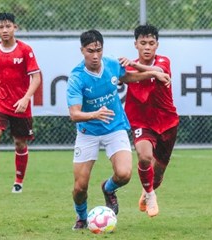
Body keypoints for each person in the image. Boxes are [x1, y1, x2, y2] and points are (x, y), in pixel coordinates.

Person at [67, 29, 171, 230]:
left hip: (114, 128)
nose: (95, 55)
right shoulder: (77, 77)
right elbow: (74, 114)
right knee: (80, 187)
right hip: (88, 133)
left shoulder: (112, 64)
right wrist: (94, 115)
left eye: (98, 50)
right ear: (82, 51)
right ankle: (81, 217)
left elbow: (128, 78)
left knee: (124, 174)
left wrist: (152, 73)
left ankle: (108, 189)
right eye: (90, 51)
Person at [0, 12, 41, 194]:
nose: (5, 30)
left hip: (20, 104)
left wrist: (26, 98)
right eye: (1, 27)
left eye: (8, 26)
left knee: (20, 143)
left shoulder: (25, 50)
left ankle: (18, 182)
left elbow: (36, 77)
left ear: (15, 28)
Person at [120, 24, 179, 217]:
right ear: (135, 44)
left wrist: (138, 66)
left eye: (151, 43)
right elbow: (125, 78)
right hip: (141, 121)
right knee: (144, 157)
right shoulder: (128, 68)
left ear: (157, 45)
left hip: (167, 122)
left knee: (159, 171)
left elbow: (156, 69)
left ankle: (147, 191)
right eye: (143, 43)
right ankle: (151, 195)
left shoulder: (163, 61)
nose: (147, 47)